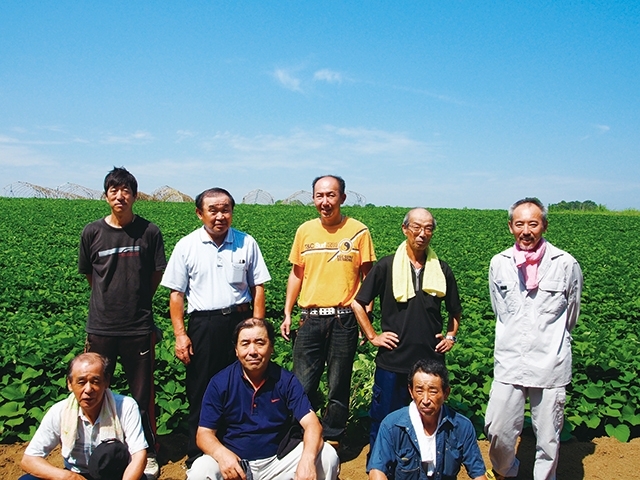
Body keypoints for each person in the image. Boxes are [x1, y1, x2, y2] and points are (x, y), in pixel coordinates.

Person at [161, 187, 271, 465]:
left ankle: (238, 444)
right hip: (204, 324)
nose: (220, 215)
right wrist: (180, 335)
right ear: (200, 214)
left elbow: (258, 287)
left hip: (241, 322)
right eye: (213, 210)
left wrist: (257, 326)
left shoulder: (246, 242)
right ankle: (198, 453)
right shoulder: (187, 246)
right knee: (202, 388)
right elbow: (176, 294)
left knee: (244, 384)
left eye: (225, 209)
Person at [484, 198, 583, 480]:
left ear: (544, 226)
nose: (526, 231)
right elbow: (499, 310)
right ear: (510, 227)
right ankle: (506, 470)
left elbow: (571, 314)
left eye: (533, 223)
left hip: (550, 362)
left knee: (549, 437)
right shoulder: (499, 263)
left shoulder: (565, 264)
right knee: (498, 427)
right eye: (519, 224)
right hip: (510, 360)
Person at [78, 166, 166, 478]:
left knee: (142, 395)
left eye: (125, 190)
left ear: (134, 195)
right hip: (101, 327)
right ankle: (99, 448)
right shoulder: (92, 232)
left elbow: (156, 276)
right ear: (106, 196)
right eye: (113, 190)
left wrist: (137, 302)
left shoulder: (149, 232)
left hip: (138, 328)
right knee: (96, 389)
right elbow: (92, 275)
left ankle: (148, 451)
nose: (120, 195)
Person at [351, 208, 462, 451]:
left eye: (428, 229)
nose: (422, 234)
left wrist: (451, 336)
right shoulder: (387, 266)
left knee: (428, 420)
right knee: (384, 419)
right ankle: (380, 467)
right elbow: (358, 303)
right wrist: (372, 336)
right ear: (405, 229)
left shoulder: (441, 269)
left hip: (431, 363)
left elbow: (455, 311)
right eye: (416, 227)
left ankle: (420, 467)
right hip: (393, 361)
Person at [280, 175, 376, 446]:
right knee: (302, 382)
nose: (325, 201)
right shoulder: (305, 231)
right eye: (320, 196)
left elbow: (367, 276)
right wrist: (288, 312)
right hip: (309, 318)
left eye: (331, 195)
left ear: (342, 198)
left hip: (344, 319)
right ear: (313, 199)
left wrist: (365, 316)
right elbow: (297, 274)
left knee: (338, 382)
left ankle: (333, 434)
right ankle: (301, 434)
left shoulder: (359, 230)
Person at [188, 318, 340, 480]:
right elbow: (204, 434)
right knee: (201, 469)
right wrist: (222, 454)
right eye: (245, 343)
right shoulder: (220, 383)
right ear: (236, 350)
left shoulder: (286, 380)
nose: (252, 351)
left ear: (271, 348)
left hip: (279, 462)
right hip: (236, 463)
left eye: (260, 343)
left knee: (327, 455)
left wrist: (307, 461)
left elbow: (312, 424)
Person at [20, 353, 148, 480]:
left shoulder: (125, 406)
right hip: (76, 474)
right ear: (69, 384)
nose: (88, 389)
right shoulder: (59, 411)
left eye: (95, 381)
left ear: (106, 382)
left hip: (116, 475)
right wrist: (67, 477)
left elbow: (139, 455)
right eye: (81, 382)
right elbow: (29, 460)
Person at [368, 359, 487, 480]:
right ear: (411, 391)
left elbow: (478, 474)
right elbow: (376, 472)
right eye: (419, 391)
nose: (425, 400)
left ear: (446, 393)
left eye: (433, 392)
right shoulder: (392, 425)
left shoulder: (461, 426)